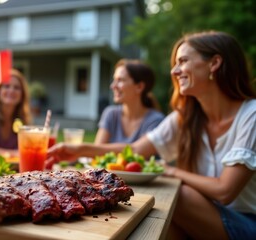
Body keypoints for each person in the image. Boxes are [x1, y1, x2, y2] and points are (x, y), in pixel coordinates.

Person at [47, 31, 256, 239]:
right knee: (154, 229)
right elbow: (137, 150)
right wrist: (80, 149)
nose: (175, 71)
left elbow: (225, 191)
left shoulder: (251, 115)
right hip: (206, 215)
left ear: (214, 63)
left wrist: (171, 172)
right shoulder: (186, 117)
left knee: (176, 195)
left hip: (246, 223)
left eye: (183, 61)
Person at [95, 59, 164, 144]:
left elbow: (138, 151)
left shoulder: (155, 121)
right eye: (114, 80)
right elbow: (96, 151)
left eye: (120, 80)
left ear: (139, 87)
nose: (113, 86)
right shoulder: (111, 114)